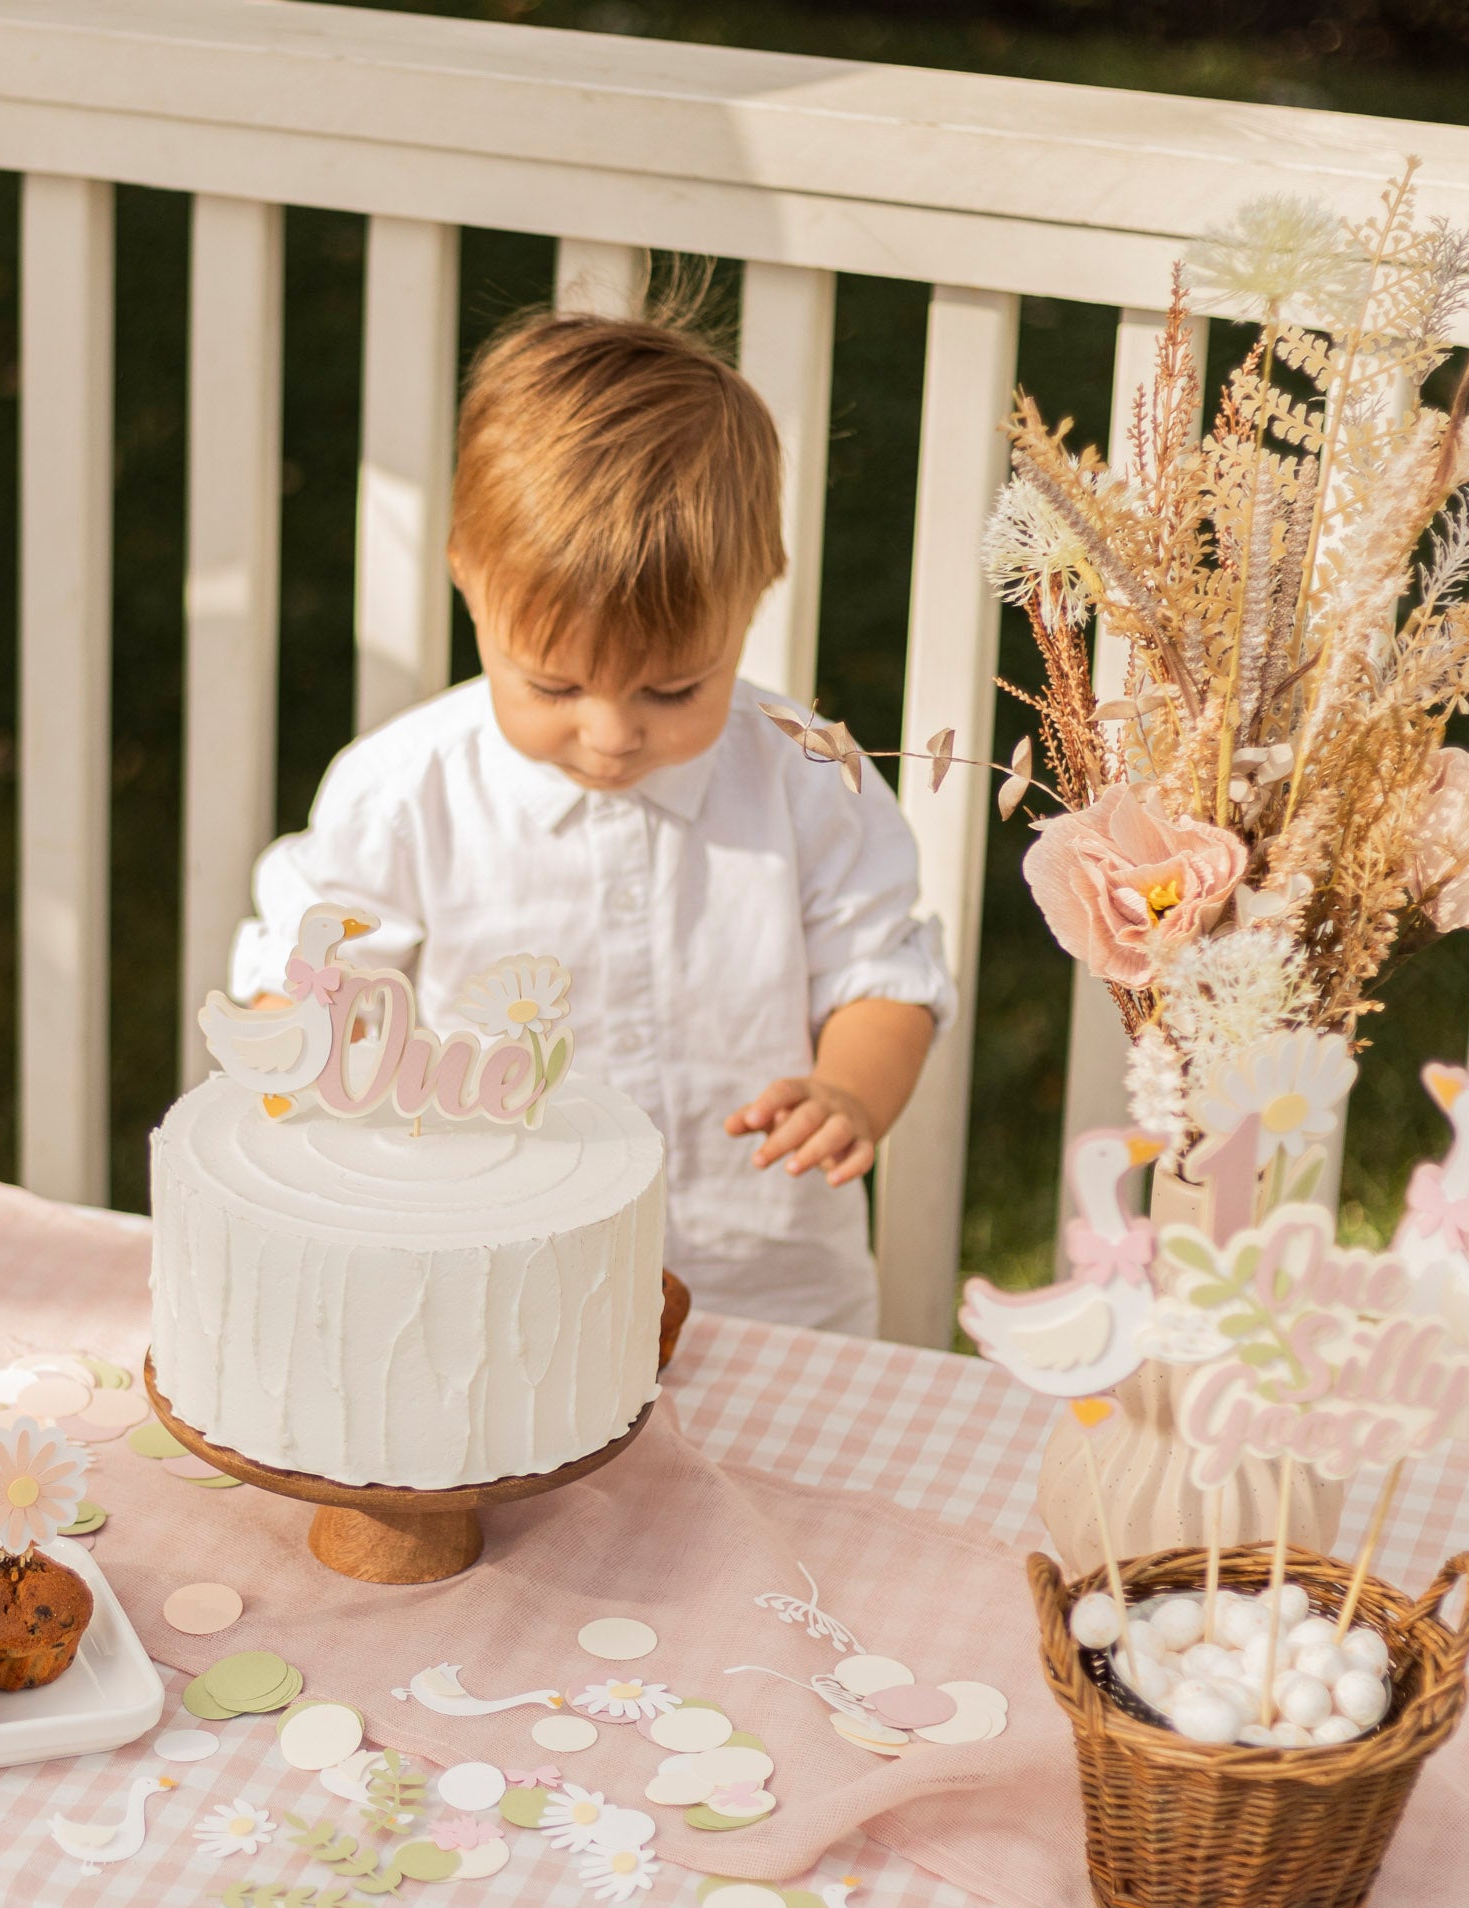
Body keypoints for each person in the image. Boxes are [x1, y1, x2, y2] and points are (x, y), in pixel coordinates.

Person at [230, 303, 953, 1332]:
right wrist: (307, 1040)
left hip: (759, 1282)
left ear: (754, 596)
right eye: (555, 686)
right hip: (492, 1277)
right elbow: (305, 974)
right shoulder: (408, 791)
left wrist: (848, 1091)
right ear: (469, 586)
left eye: (672, 690)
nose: (612, 734)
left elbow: (883, 974)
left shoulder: (804, 780)